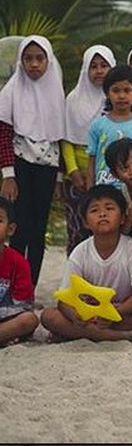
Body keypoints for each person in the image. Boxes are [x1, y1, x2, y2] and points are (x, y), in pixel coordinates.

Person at [41, 185, 132, 343]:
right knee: (48, 316)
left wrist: (113, 314)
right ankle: (125, 336)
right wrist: (76, 317)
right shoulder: (80, 251)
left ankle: (79, 333)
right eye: (94, 210)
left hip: (120, 312)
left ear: (122, 218)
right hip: (88, 315)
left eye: (109, 208)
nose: (102, 214)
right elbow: (64, 299)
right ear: (86, 223)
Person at [0, 36, 66, 287]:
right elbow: (3, 135)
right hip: (20, 166)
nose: (34, 64)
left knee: (39, 230)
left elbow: (59, 138)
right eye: (28, 59)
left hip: (47, 170)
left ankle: (29, 288)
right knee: (19, 227)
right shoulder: (12, 91)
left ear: (49, 60)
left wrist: (59, 179)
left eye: (40, 58)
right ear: (21, 61)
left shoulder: (56, 92)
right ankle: (12, 287)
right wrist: (8, 175)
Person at [62, 45, 115, 254]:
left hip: (107, 174)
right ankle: (75, 280)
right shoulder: (73, 99)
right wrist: (73, 171)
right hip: (76, 178)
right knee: (77, 229)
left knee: (105, 229)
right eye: (93, 66)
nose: (99, 70)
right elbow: (66, 138)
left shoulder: (115, 99)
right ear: (85, 69)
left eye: (104, 65)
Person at [87, 65, 132, 187]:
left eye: (127, 90)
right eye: (116, 90)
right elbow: (92, 162)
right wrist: (91, 192)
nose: (121, 96)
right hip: (105, 187)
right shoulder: (97, 126)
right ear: (107, 93)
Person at [0, 196, 39, 346]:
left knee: (29, 320)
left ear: (11, 229)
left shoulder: (19, 262)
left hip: (6, 315)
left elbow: (23, 305)